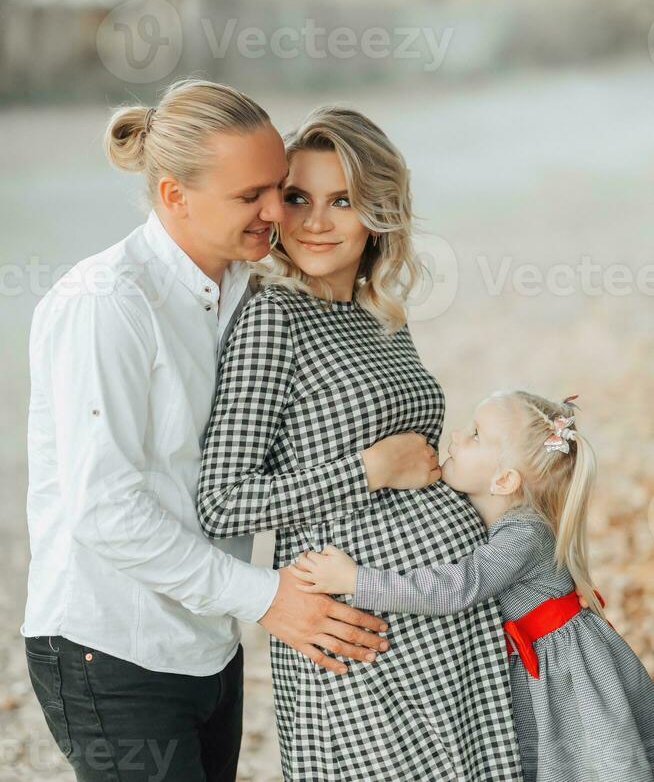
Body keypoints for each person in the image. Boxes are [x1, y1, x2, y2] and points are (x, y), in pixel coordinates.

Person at [23, 79, 425, 782]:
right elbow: (105, 512)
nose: (278, 214)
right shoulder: (107, 305)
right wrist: (269, 598)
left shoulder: (247, 287)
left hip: (211, 641)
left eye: (279, 187)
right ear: (175, 196)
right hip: (113, 647)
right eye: (252, 197)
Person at [197, 107, 524, 780]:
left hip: (445, 615)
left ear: (378, 210)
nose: (316, 221)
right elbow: (222, 502)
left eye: (341, 200)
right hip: (361, 634)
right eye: (298, 198)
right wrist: (368, 470)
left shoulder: (381, 314)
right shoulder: (272, 318)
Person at [291, 391, 654, 782]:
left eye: (476, 434)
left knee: (586, 764)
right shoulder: (508, 520)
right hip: (543, 664)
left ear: (504, 480)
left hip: (566, 675)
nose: (457, 436)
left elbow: (456, 588)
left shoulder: (523, 534)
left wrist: (356, 580)